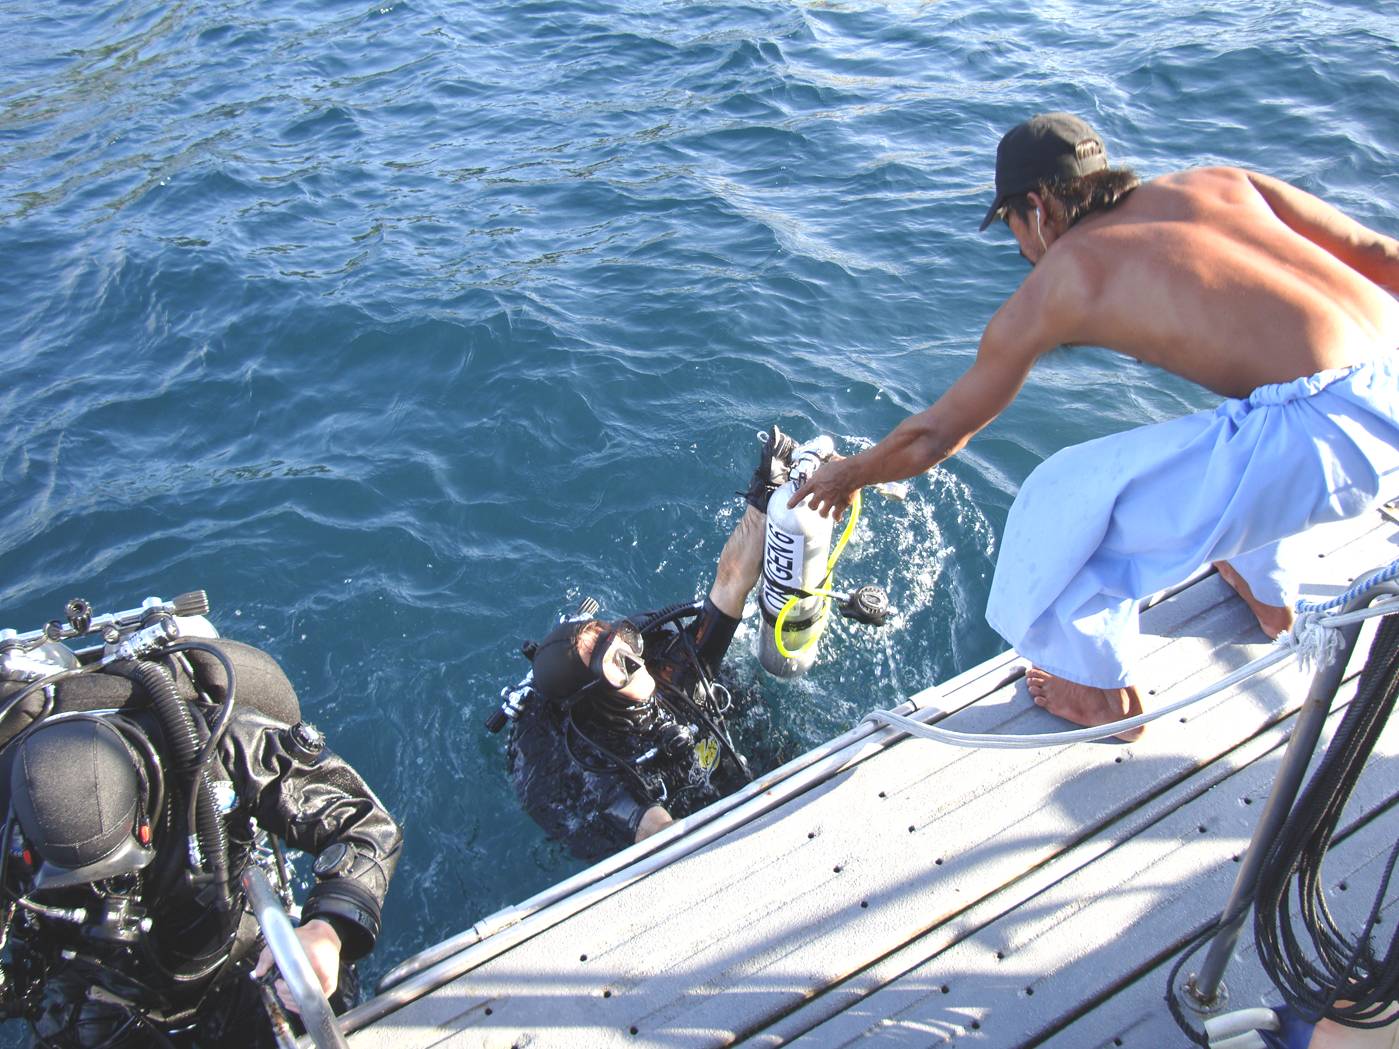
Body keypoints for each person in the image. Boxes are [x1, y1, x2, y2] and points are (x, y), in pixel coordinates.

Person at [792, 112, 1399, 740]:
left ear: (1038, 208)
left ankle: (1098, 696)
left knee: (1063, 499)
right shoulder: (1220, 183)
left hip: (1335, 437)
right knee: (1245, 423)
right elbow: (1382, 258)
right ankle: (1268, 590)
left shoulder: (1067, 277)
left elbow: (937, 435)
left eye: (1013, 229)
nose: (1023, 250)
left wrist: (851, 475)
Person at [0, 621, 402, 1048]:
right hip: (92, 982)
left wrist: (327, 929)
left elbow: (361, 821)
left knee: (323, 994)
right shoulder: (9, 794)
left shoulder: (212, 745)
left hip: (229, 947)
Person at [500, 428, 800, 861]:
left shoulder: (671, 666)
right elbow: (656, 831)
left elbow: (731, 580)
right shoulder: (599, 765)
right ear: (592, 694)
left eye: (618, 638)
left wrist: (764, 491)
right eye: (612, 662)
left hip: (720, 745)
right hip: (676, 795)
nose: (630, 658)